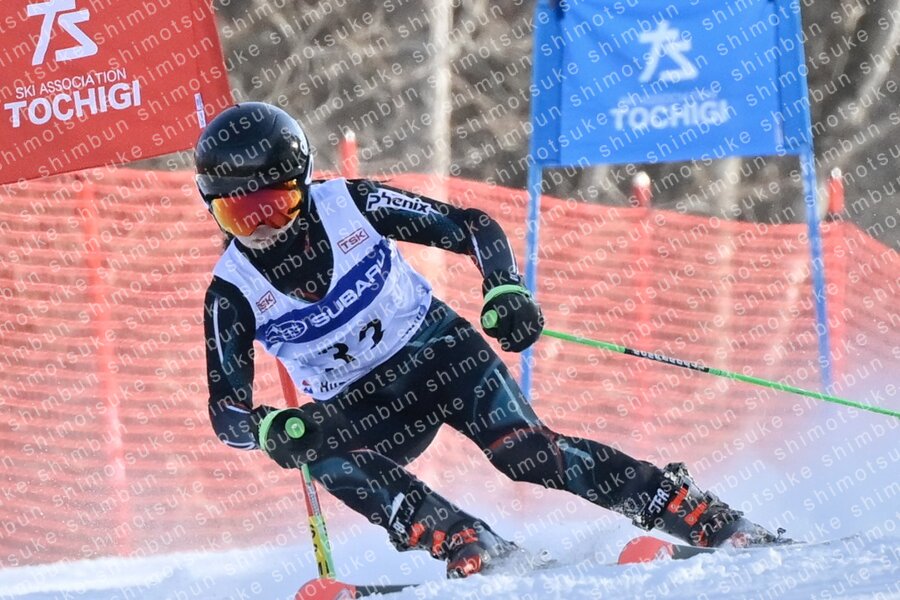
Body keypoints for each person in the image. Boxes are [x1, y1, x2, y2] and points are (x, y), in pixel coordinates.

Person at [196, 102, 778, 578]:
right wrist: (268, 428)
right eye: (239, 217)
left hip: (438, 352)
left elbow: (472, 227)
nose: (263, 230)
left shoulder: (351, 203)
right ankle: (465, 540)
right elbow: (227, 413)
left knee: (525, 454)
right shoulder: (232, 293)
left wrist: (505, 288)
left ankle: (686, 508)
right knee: (319, 450)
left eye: (275, 207)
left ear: (301, 186)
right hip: (361, 404)